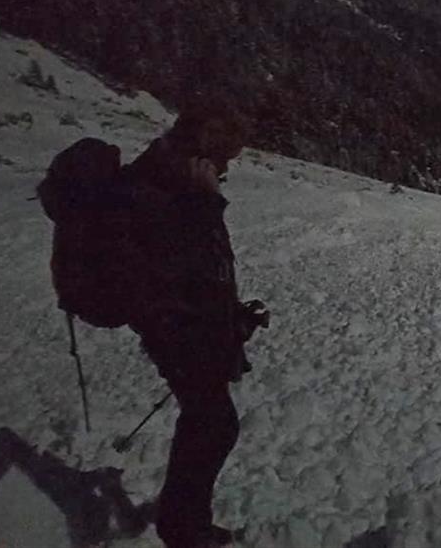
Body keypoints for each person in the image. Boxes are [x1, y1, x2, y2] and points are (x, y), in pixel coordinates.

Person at [123, 105, 268, 548]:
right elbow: (180, 262)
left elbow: (201, 272)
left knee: (209, 422)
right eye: (223, 158)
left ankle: (183, 521)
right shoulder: (165, 189)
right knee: (212, 425)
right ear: (204, 150)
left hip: (187, 325)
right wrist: (206, 199)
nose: (225, 169)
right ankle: (183, 528)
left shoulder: (169, 179)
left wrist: (231, 316)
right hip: (175, 330)